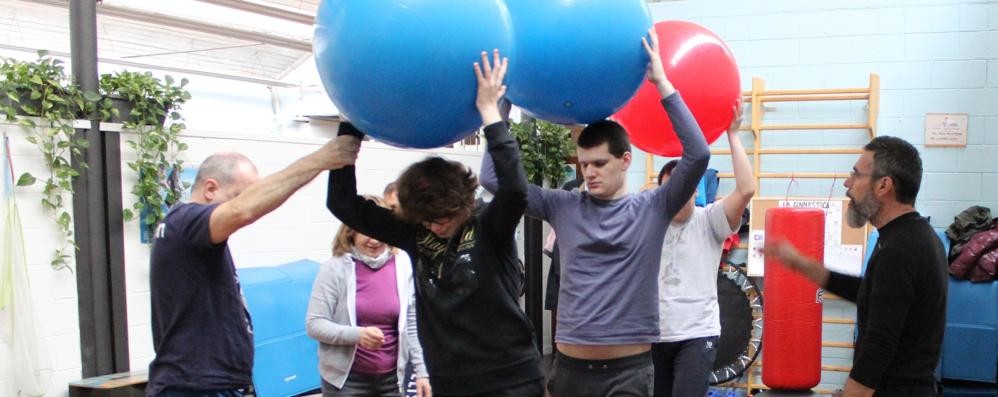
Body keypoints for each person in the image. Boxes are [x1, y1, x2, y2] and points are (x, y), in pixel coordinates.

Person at [480, 28, 710, 396]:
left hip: (628, 371)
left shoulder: (654, 206)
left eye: (600, 163)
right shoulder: (563, 205)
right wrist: (500, 104)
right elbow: (492, 179)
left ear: (625, 160)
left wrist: (662, 83)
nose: (589, 173)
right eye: (584, 164)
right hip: (570, 369)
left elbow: (698, 153)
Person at [327, 49, 543, 397]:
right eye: (426, 222)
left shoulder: (489, 225)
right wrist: (350, 125)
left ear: (462, 204)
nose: (435, 227)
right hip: (450, 381)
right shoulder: (414, 231)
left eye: (443, 219)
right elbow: (341, 204)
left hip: (509, 377)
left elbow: (515, 190)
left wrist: (491, 114)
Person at [147, 139, 361, 397]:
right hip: (194, 388)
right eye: (241, 195)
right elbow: (244, 212)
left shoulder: (191, 234)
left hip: (210, 385)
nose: (252, 206)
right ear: (211, 189)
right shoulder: (185, 222)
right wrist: (322, 159)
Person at [764, 136, 946, 397]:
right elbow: (870, 294)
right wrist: (800, 263)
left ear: (883, 185)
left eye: (856, 175)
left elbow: (879, 345)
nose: (847, 184)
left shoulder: (899, 250)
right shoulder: (914, 236)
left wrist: (852, 393)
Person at [652, 102, 754, 397]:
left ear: (696, 190)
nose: (680, 194)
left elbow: (746, 189)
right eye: (672, 188)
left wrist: (733, 135)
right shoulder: (650, 222)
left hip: (697, 334)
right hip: (655, 334)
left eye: (686, 187)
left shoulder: (710, 219)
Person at [306, 195, 431, 397]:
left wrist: (421, 371)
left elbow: (411, 323)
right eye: (366, 232)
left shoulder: (403, 265)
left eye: (380, 232)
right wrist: (358, 335)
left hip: (391, 380)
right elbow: (315, 324)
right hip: (346, 382)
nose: (374, 240)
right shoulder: (335, 268)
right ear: (351, 232)